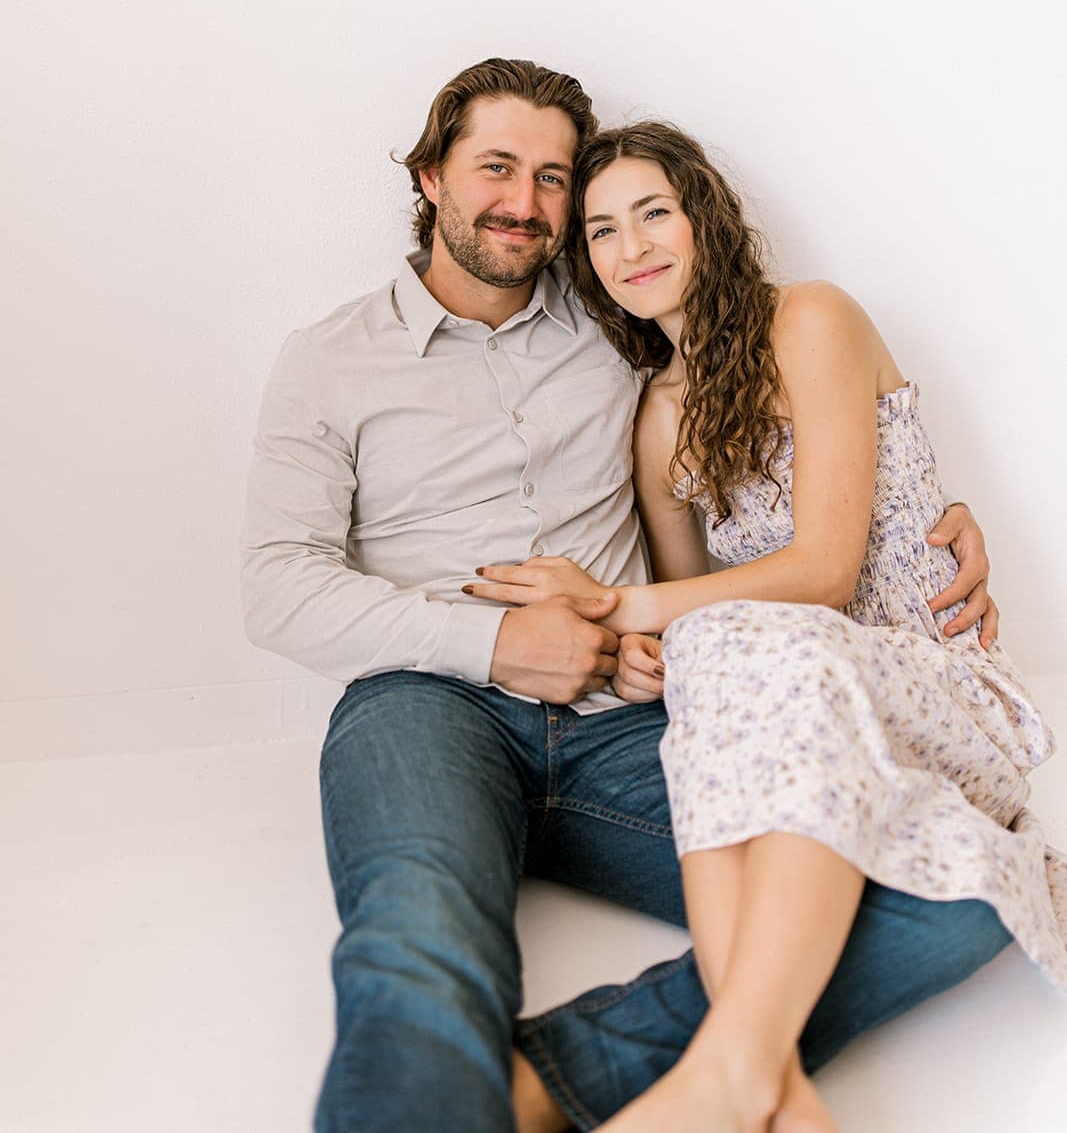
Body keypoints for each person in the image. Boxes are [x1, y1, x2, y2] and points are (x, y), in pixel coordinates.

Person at [240, 62, 1006, 1133]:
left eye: (552, 177)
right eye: (494, 167)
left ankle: (555, 1089)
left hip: (633, 718)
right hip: (428, 709)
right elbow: (276, 589)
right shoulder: (326, 360)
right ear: (428, 177)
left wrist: (924, 504)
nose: (526, 201)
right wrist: (501, 640)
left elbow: (770, 450)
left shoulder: (619, 326)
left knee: (957, 894)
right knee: (416, 940)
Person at [469, 121, 1065, 1132]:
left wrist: (610, 602)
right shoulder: (659, 415)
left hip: (937, 693)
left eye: (652, 211)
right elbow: (695, 617)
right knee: (711, 649)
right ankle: (762, 1082)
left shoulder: (811, 319)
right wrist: (648, 648)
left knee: (751, 630)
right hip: (806, 709)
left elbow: (823, 572)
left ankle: (727, 1067)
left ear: (701, 213)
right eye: (603, 231)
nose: (632, 246)